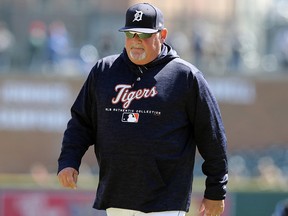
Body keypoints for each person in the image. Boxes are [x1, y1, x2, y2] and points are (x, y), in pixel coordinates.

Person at [57, 3, 228, 216]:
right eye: (131, 34)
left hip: (165, 202)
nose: (136, 41)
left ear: (162, 34)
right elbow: (81, 122)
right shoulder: (104, 71)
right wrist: (68, 160)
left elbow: (212, 137)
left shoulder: (185, 77)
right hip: (116, 197)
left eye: (144, 35)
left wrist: (216, 190)